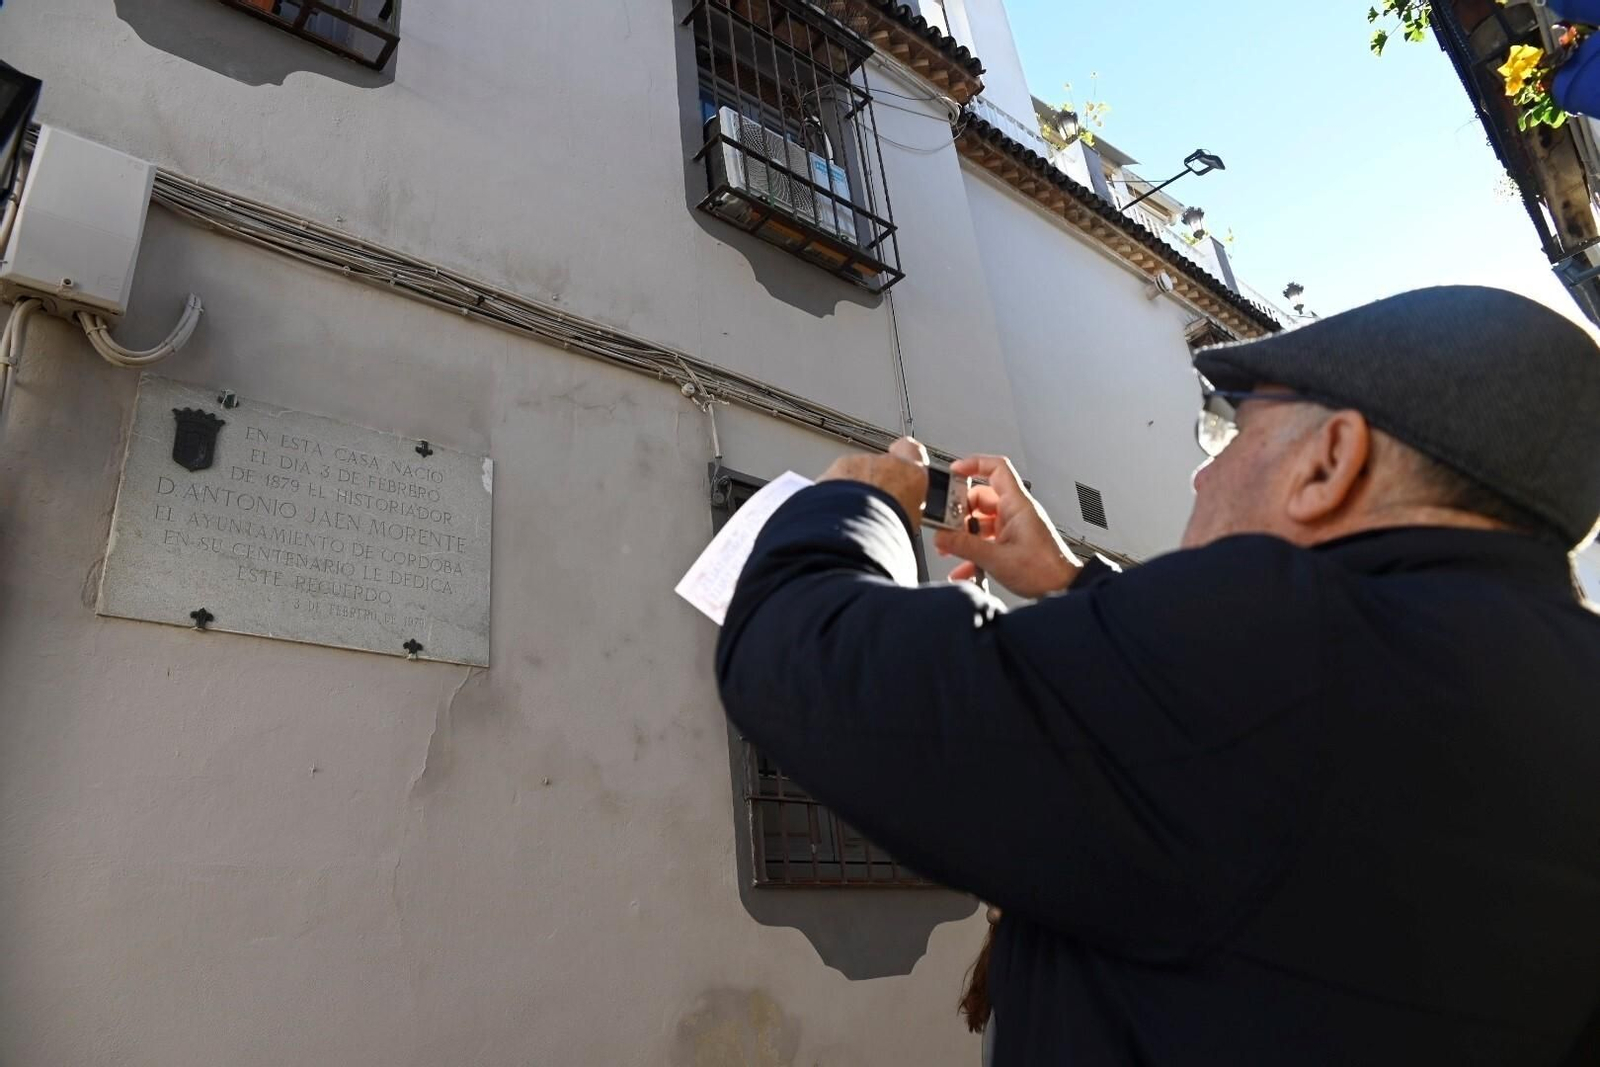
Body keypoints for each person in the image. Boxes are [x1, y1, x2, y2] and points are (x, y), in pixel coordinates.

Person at [714, 286, 1600, 1065]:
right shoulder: (1537, 683)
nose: (1202, 465)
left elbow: (799, 655)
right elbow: (1235, 778)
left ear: (1330, 462)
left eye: (1234, 428)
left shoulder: (1286, 645)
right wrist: (1069, 585)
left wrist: (857, 502)